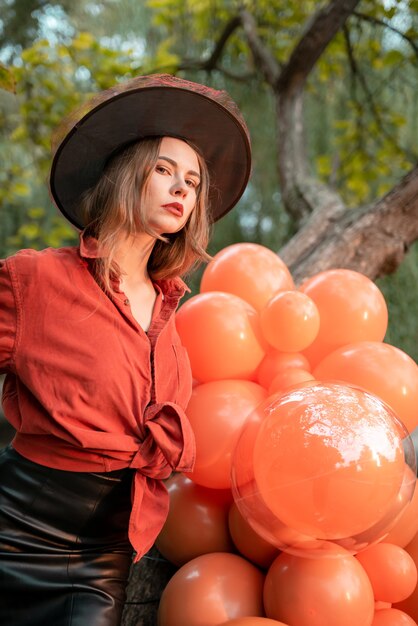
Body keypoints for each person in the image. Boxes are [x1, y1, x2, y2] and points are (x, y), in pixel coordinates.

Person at [0, 73, 251, 625]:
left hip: (102, 554)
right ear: (125, 175)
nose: (182, 188)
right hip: (13, 526)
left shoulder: (172, 313)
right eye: (164, 170)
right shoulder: (34, 279)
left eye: (192, 180)